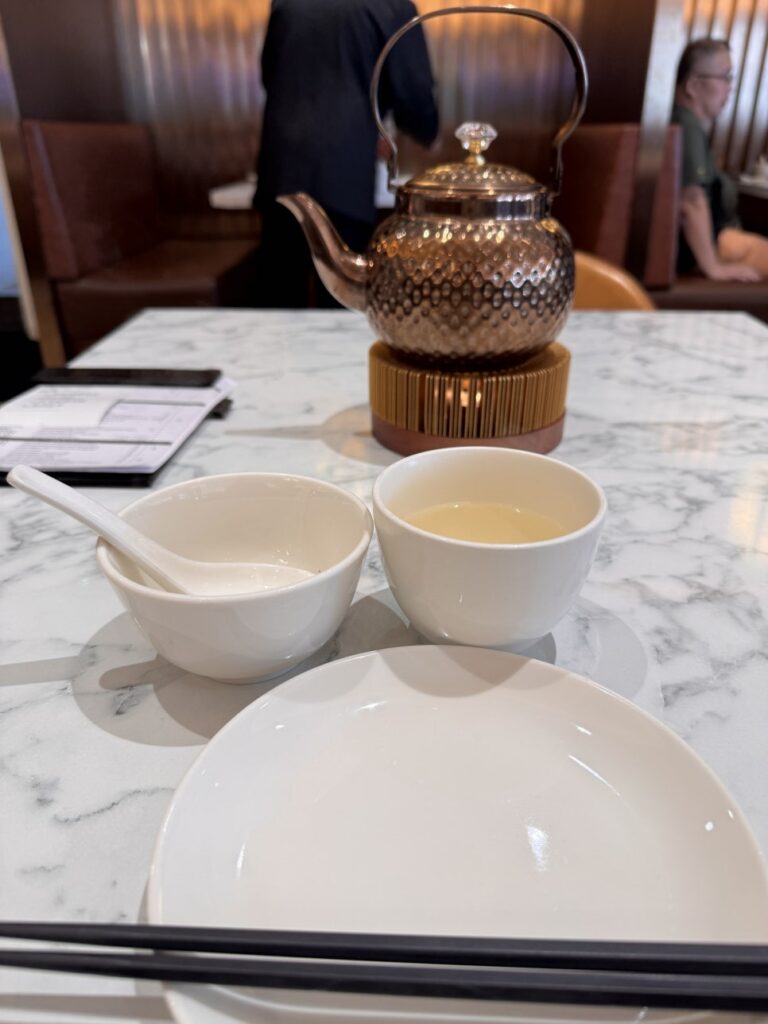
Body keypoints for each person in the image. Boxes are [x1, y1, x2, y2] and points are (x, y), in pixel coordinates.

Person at [253, 0, 439, 308]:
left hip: (281, 169)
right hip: (345, 173)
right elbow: (413, 90)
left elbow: (270, 75)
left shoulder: (286, 3)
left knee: (279, 307)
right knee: (341, 305)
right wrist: (427, 133)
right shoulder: (392, 6)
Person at [672, 38, 768, 281]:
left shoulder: (688, 124)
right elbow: (691, 201)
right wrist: (714, 268)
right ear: (693, 85)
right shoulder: (686, 124)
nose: (730, 88)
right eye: (725, 77)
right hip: (711, 246)